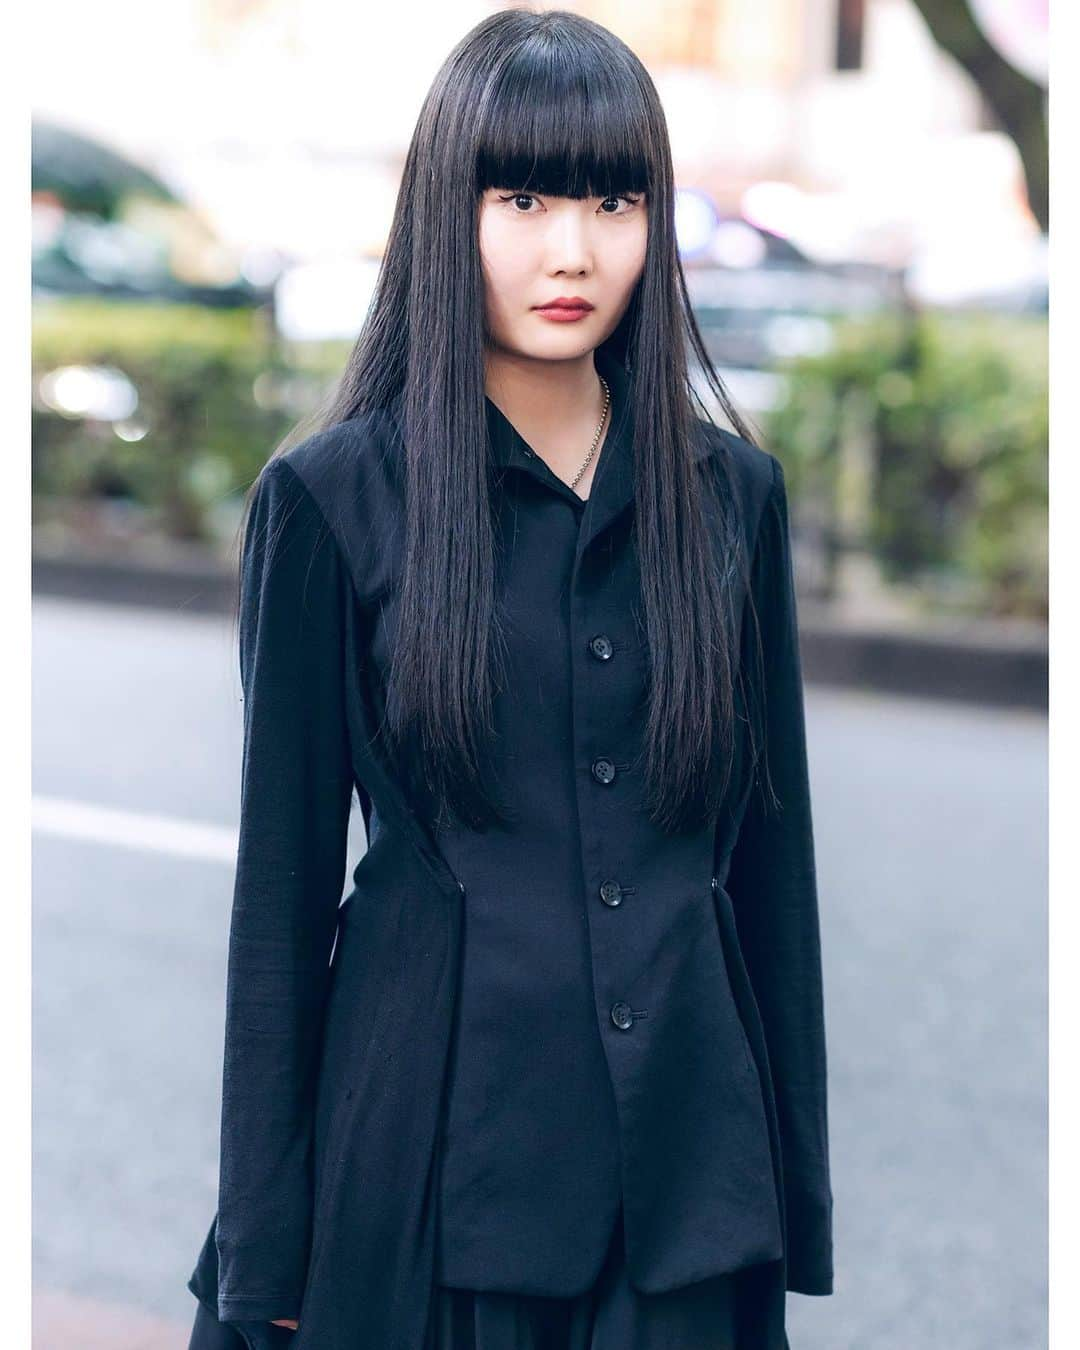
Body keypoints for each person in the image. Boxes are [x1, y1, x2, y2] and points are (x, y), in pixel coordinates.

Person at [186, 9, 834, 1350]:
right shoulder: (332, 502)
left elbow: (773, 874)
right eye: (523, 195)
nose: (572, 249)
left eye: (613, 198)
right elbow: (279, 902)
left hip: (686, 1184)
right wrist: (264, 1246)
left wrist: (791, 1189)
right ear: (448, 212)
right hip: (431, 1164)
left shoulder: (733, 499)